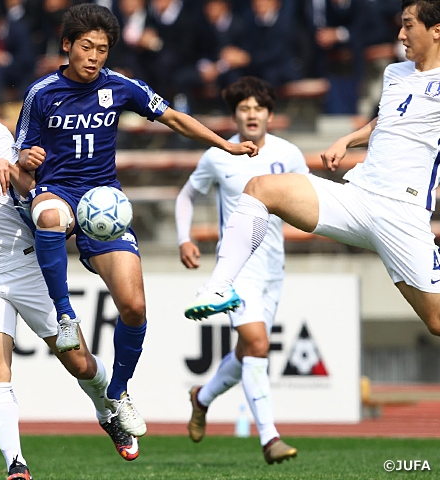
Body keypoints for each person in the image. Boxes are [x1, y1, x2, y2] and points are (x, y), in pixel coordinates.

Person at [4, 2, 258, 438]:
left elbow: (174, 118)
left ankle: (118, 393)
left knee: (135, 307)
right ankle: (65, 316)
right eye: (86, 47)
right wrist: (27, 160)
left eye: (102, 48)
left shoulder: (119, 86)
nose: (94, 56)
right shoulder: (41, 93)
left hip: (104, 202)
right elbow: (17, 158)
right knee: (47, 216)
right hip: (57, 193)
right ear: (67, 46)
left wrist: (225, 145)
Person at [0, 43, 140, 480]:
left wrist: (8, 164)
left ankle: (106, 409)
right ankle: (15, 465)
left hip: (25, 264)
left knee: (80, 363)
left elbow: (25, 177)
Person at [188, 0, 440, 345]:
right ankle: (218, 288)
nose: (400, 33)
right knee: (260, 187)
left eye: (408, 25)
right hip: (358, 197)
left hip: (402, 213)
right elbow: (390, 121)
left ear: (436, 31)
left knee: (437, 321)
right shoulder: (395, 73)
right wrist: (348, 139)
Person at [176, 76, 305, 464]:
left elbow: (309, 198)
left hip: (273, 268)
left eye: (258, 108)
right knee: (259, 346)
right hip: (238, 270)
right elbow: (187, 195)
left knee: (246, 351)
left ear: (269, 114)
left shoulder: (290, 154)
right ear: (235, 115)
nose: (252, 114)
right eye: (244, 108)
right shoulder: (219, 154)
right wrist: (185, 237)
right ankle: (270, 438)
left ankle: (202, 397)